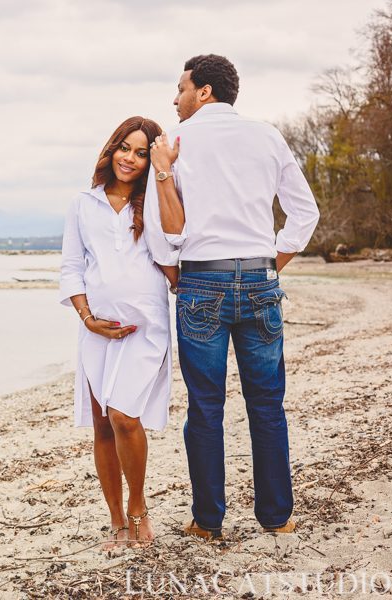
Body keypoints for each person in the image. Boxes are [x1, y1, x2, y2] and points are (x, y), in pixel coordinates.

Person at [146, 54, 320, 540]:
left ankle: (208, 521)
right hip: (260, 279)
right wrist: (270, 264)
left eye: (181, 88)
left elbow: (161, 231)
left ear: (204, 91)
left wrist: (178, 278)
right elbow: (305, 213)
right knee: (267, 404)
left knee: (205, 407)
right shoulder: (267, 136)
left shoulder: (174, 143)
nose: (175, 98)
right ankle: (277, 518)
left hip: (202, 280)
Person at [59, 116, 178, 548]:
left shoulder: (156, 202)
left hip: (146, 328)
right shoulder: (83, 204)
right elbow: (72, 266)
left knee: (124, 417)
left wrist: (164, 173)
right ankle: (116, 520)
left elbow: (176, 241)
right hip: (97, 331)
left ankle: (138, 506)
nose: (130, 158)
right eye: (124, 148)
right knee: (102, 425)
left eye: (141, 153)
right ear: (111, 149)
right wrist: (87, 317)